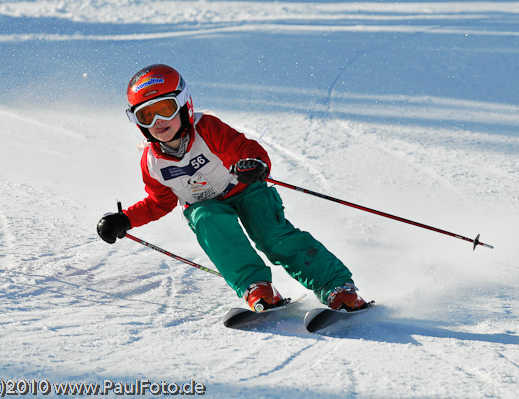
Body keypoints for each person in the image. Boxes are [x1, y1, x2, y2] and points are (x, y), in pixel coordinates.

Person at [97, 64, 368, 313]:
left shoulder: (207, 129)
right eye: (146, 115)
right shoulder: (152, 162)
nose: (157, 120)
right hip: (205, 204)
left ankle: (336, 287)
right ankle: (257, 288)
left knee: (272, 236)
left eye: (165, 109)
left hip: (245, 189)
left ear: (183, 105)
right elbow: (159, 202)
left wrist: (254, 165)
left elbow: (245, 149)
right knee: (207, 220)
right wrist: (126, 219)